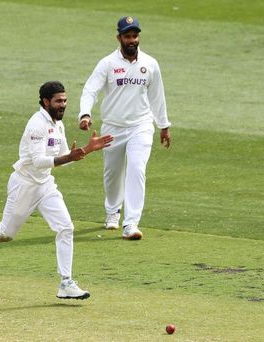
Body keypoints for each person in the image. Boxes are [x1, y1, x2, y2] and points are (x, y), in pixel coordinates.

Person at [0, 81, 113, 300]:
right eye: (58, 101)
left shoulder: (57, 124)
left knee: (66, 227)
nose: (63, 105)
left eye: (65, 100)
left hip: (45, 185)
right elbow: (39, 161)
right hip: (24, 184)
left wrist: (87, 150)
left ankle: (66, 283)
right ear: (45, 101)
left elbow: (62, 160)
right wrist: (68, 156)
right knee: (4, 234)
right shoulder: (37, 125)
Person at [78, 16, 171, 240]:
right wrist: (85, 113)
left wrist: (164, 125)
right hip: (113, 127)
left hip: (141, 126)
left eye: (135, 36)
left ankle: (131, 224)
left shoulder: (150, 63)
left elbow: (157, 96)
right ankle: (112, 211)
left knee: (137, 169)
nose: (132, 40)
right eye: (127, 36)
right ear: (118, 37)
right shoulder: (108, 63)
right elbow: (91, 89)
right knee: (112, 174)